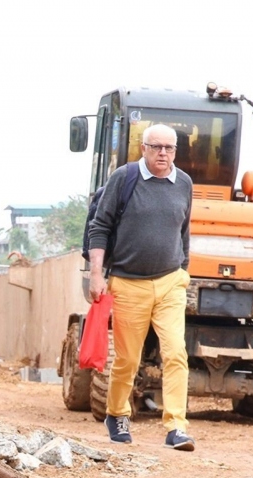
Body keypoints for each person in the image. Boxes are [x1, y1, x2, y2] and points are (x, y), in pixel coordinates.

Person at [86, 123, 195, 452]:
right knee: (127, 359)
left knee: (176, 352)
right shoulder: (124, 177)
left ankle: (176, 425)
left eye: (169, 148)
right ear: (143, 148)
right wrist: (95, 274)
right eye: (156, 147)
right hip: (128, 283)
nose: (163, 153)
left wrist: (183, 270)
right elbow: (100, 226)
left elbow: (184, 231)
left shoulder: (184, 183)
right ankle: (117, 413)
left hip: (169, 282)